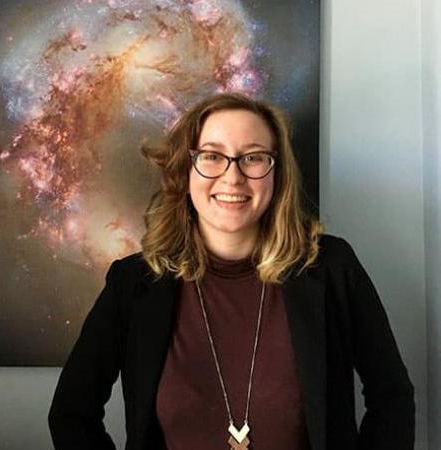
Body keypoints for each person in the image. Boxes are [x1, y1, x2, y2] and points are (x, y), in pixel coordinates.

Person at [48, 93, 415, 450]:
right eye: (211, 156)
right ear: (185, 170)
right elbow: (72, 413)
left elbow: (392, 399)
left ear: (277, 173)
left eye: (253, 158)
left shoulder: (332, 267)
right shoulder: (133, 283)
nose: (232, 177)